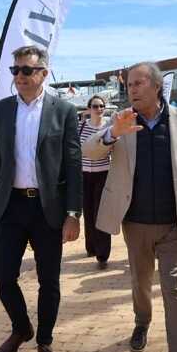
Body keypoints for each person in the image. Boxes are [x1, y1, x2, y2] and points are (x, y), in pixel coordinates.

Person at [83, 62, 177, 352]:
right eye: (129, 84)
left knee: (174, 288)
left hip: (174, 225)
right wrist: (114, 133)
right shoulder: (122, 121)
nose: (132, 89)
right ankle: (142, 322)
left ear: (157, 87)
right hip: (136, 223)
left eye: (139, 83)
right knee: (141, 282)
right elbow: (89, 150)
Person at [0, 45, 82, 352]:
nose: (19, 76)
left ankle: (44, 343)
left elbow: (73, 165)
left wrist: (74, 213)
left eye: (26, 70)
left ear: (43, 73)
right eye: (15, 70)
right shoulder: (1, 110)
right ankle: (21, 328)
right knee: (3, 276)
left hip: (49, 209)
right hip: (11, 206)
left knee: (49, 281)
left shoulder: (64, 111)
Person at [79, 94, 112, 268]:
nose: (98, 109)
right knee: (88, 211)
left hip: (103, 173)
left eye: (101, 106)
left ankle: (103, 254)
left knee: (101, 213)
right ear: (89, 109)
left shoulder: (109, 127)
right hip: (84, 174)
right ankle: (91, 247)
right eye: (95, 106)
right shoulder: (81, 127)